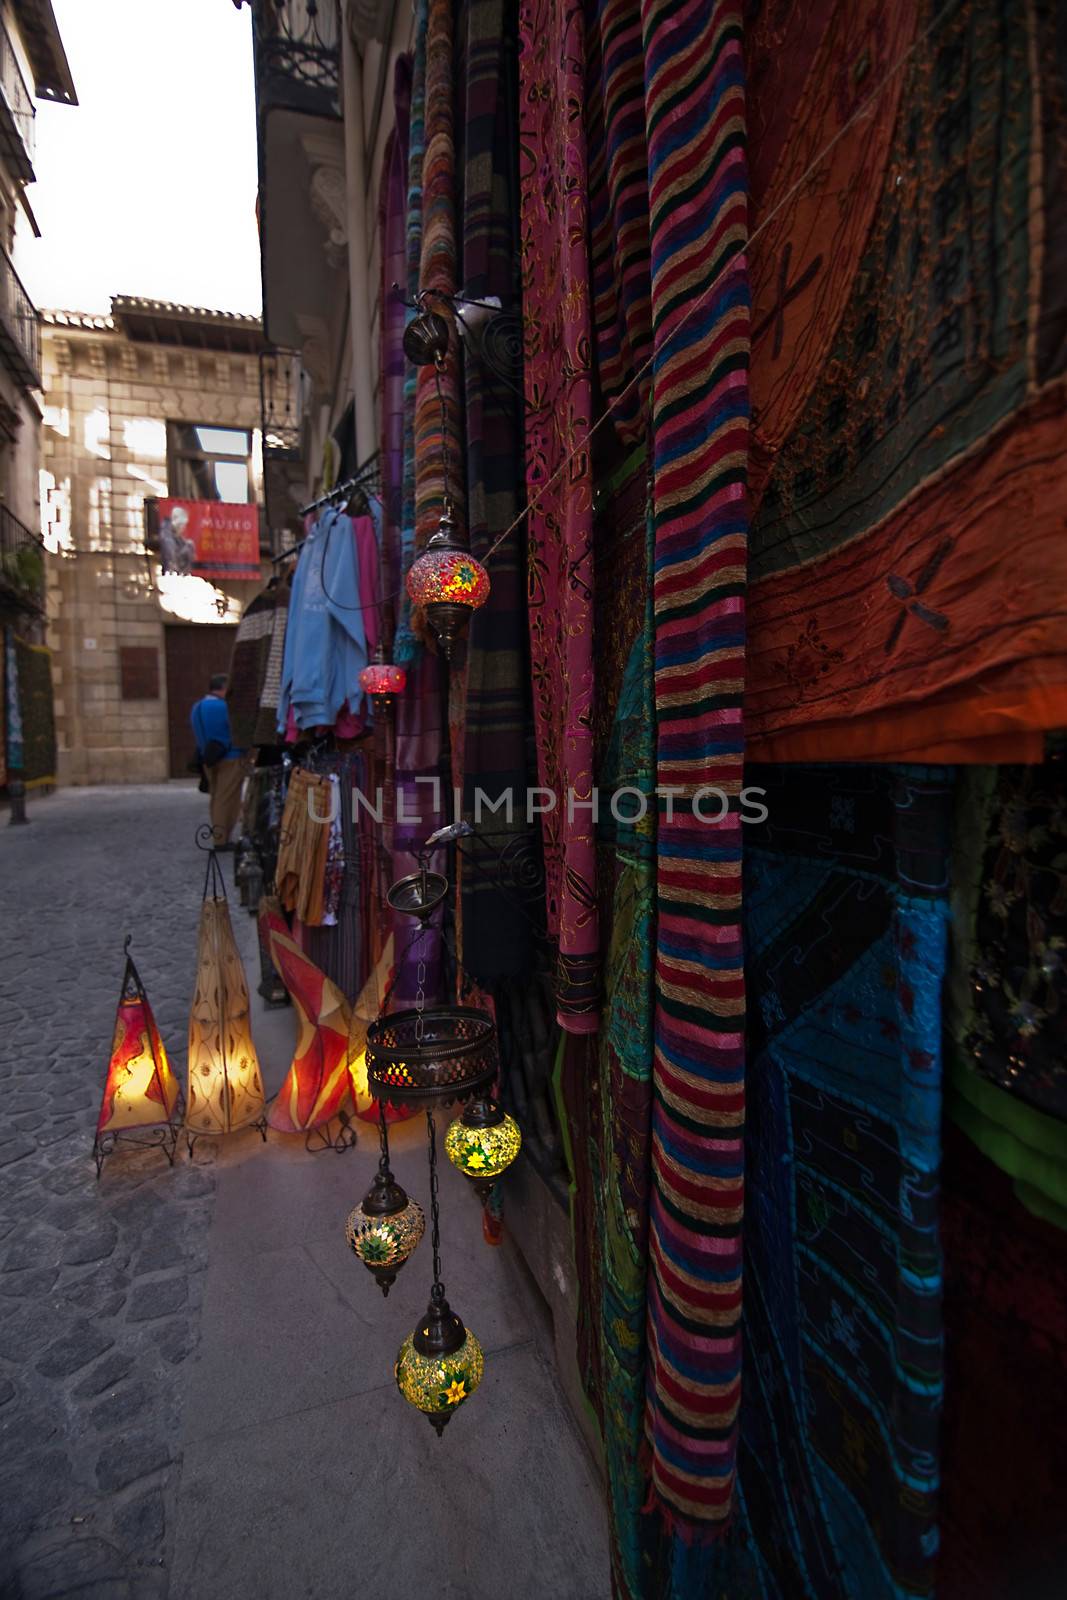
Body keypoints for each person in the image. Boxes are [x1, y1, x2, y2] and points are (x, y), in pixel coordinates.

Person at [191, 674, 247, 847]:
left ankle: (219, 835)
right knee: (226, 798)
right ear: (223, 688)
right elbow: (239, 730)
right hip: (230, 756)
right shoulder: (224, 708)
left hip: (208, 758)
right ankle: (221, 839)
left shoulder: (197, 707)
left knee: (216, 797)